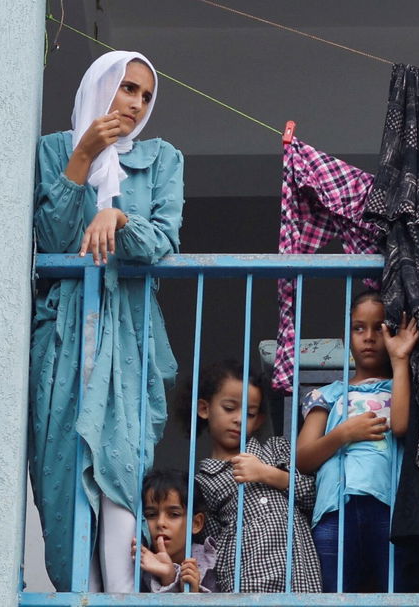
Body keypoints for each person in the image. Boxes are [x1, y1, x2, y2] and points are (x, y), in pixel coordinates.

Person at [29, 51, 183, 592]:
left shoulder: (162, 158)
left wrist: (118, 215)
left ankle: (119, 595)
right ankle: (77, 593)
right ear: (101, 87)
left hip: (127, 331)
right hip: (64, 331)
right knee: (60, 470)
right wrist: (85, 154)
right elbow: (51, 240)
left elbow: (162, 240)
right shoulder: (52, 150)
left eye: (145, 94)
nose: (137, 103)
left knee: (121, 467)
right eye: (127, 89)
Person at [296, 291, 418, 593]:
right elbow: (303, 458)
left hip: (387, 510)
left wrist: (400, 359)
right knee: (335, 595)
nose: (369, 337)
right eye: (359, 328)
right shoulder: (330, 394)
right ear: (348, 334)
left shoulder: (400, 387)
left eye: (379, 328)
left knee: (394, 595)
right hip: (336, 511)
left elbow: (401, 425)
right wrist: (343, 434)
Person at [192, 359, 321, 592]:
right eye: (229, 408)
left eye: (249, 413)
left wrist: (267, 473)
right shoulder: (202, 483)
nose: (239, 419)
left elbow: (313, 496)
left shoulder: (275, 450)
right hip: (247, 579)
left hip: (297, 577)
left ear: (259, 419)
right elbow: (209, 546)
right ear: (204, 409)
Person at [135, 469, 218, 593]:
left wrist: (194, 594)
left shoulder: (209, 563)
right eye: (151, 515)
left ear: (196, 523)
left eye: (173, 514)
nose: (160, 523)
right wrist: (168, 577)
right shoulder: (141, 565)